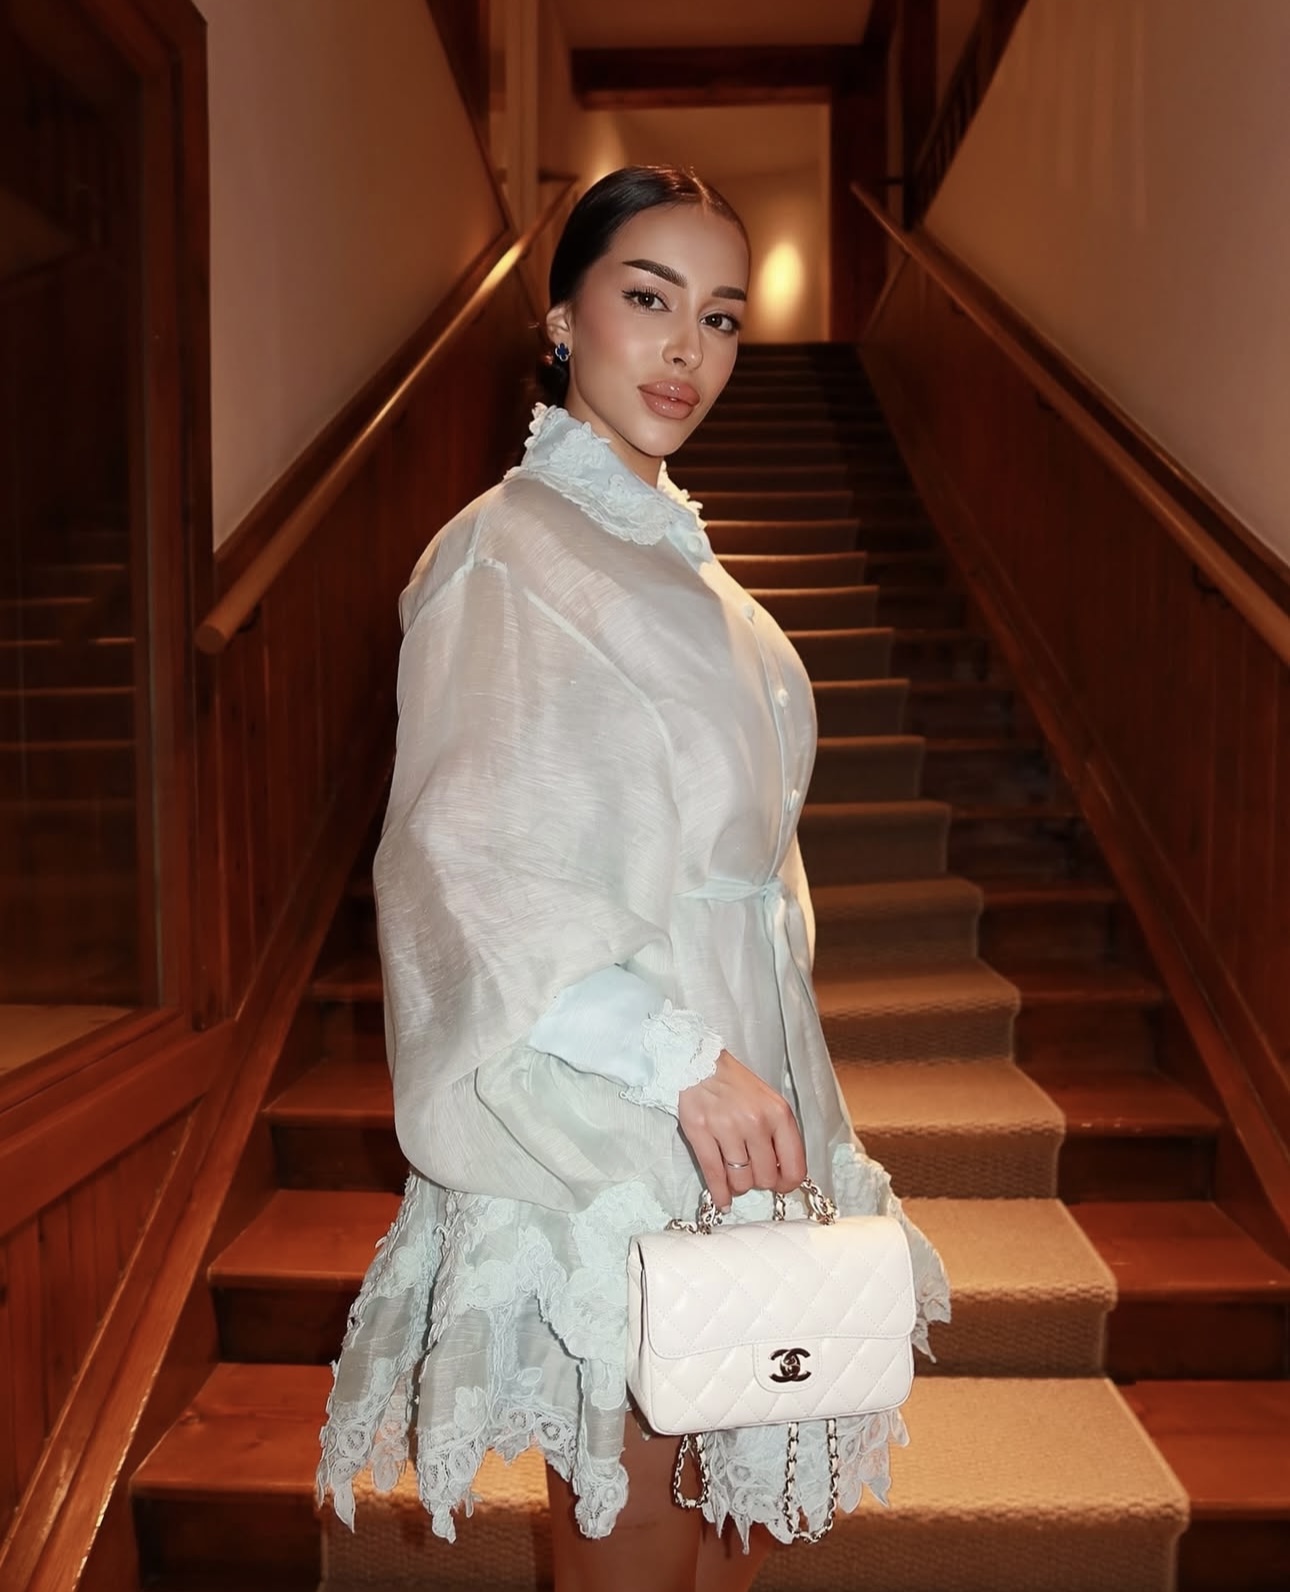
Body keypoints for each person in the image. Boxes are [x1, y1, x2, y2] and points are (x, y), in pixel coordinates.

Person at [316, 165, 951, 1592]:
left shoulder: (692, 572)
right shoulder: (507, 552)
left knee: (732, 1521)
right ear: (560, 316)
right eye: (648, 298)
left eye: (720, 318)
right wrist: (676, 1060)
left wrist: (768, 1063)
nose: (687, 350)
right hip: (626, 1099)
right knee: (644, 1529)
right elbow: (466, 870)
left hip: (746, 1088)